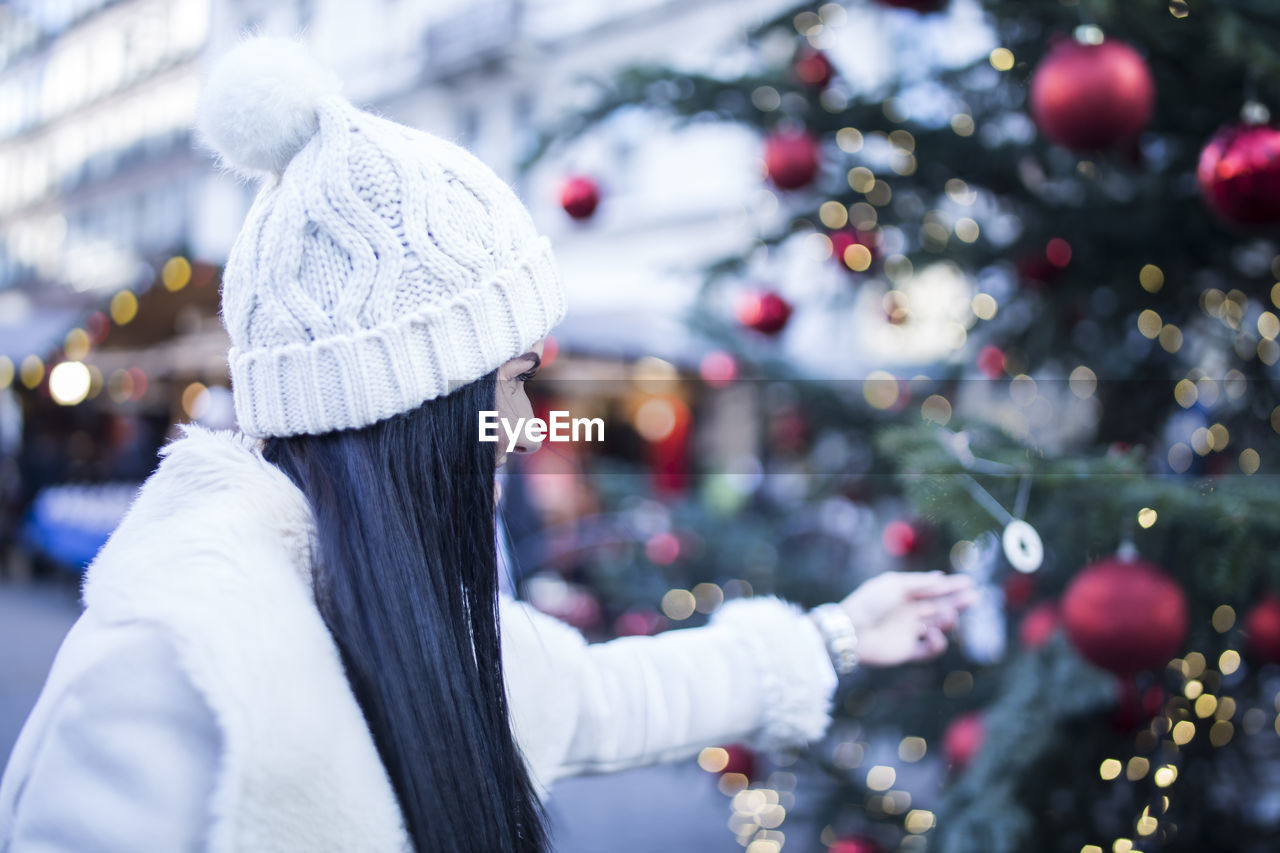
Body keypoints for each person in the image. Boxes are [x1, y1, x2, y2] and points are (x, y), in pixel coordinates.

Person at [0, 38, 975, 853]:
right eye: (507, 384)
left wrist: (839, 632)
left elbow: (606, 693)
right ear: (408, 403)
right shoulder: (171, 663)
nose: (518, 427)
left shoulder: (399, 604)